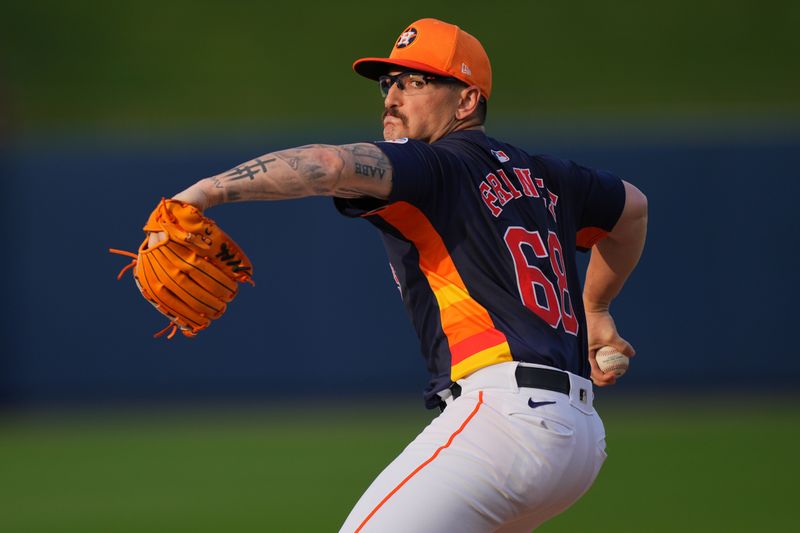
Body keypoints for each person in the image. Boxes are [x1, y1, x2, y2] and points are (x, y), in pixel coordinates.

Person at [157, 18, 647, 533]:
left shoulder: (435, 166)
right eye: (388, 82)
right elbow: (633, 209)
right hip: (578, 437)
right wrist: (596, 308)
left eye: (416, 82)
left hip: (505, 423)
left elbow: (327, 163)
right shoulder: (547, 176)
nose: (392, 96)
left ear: (466, 102)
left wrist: (202, 193)